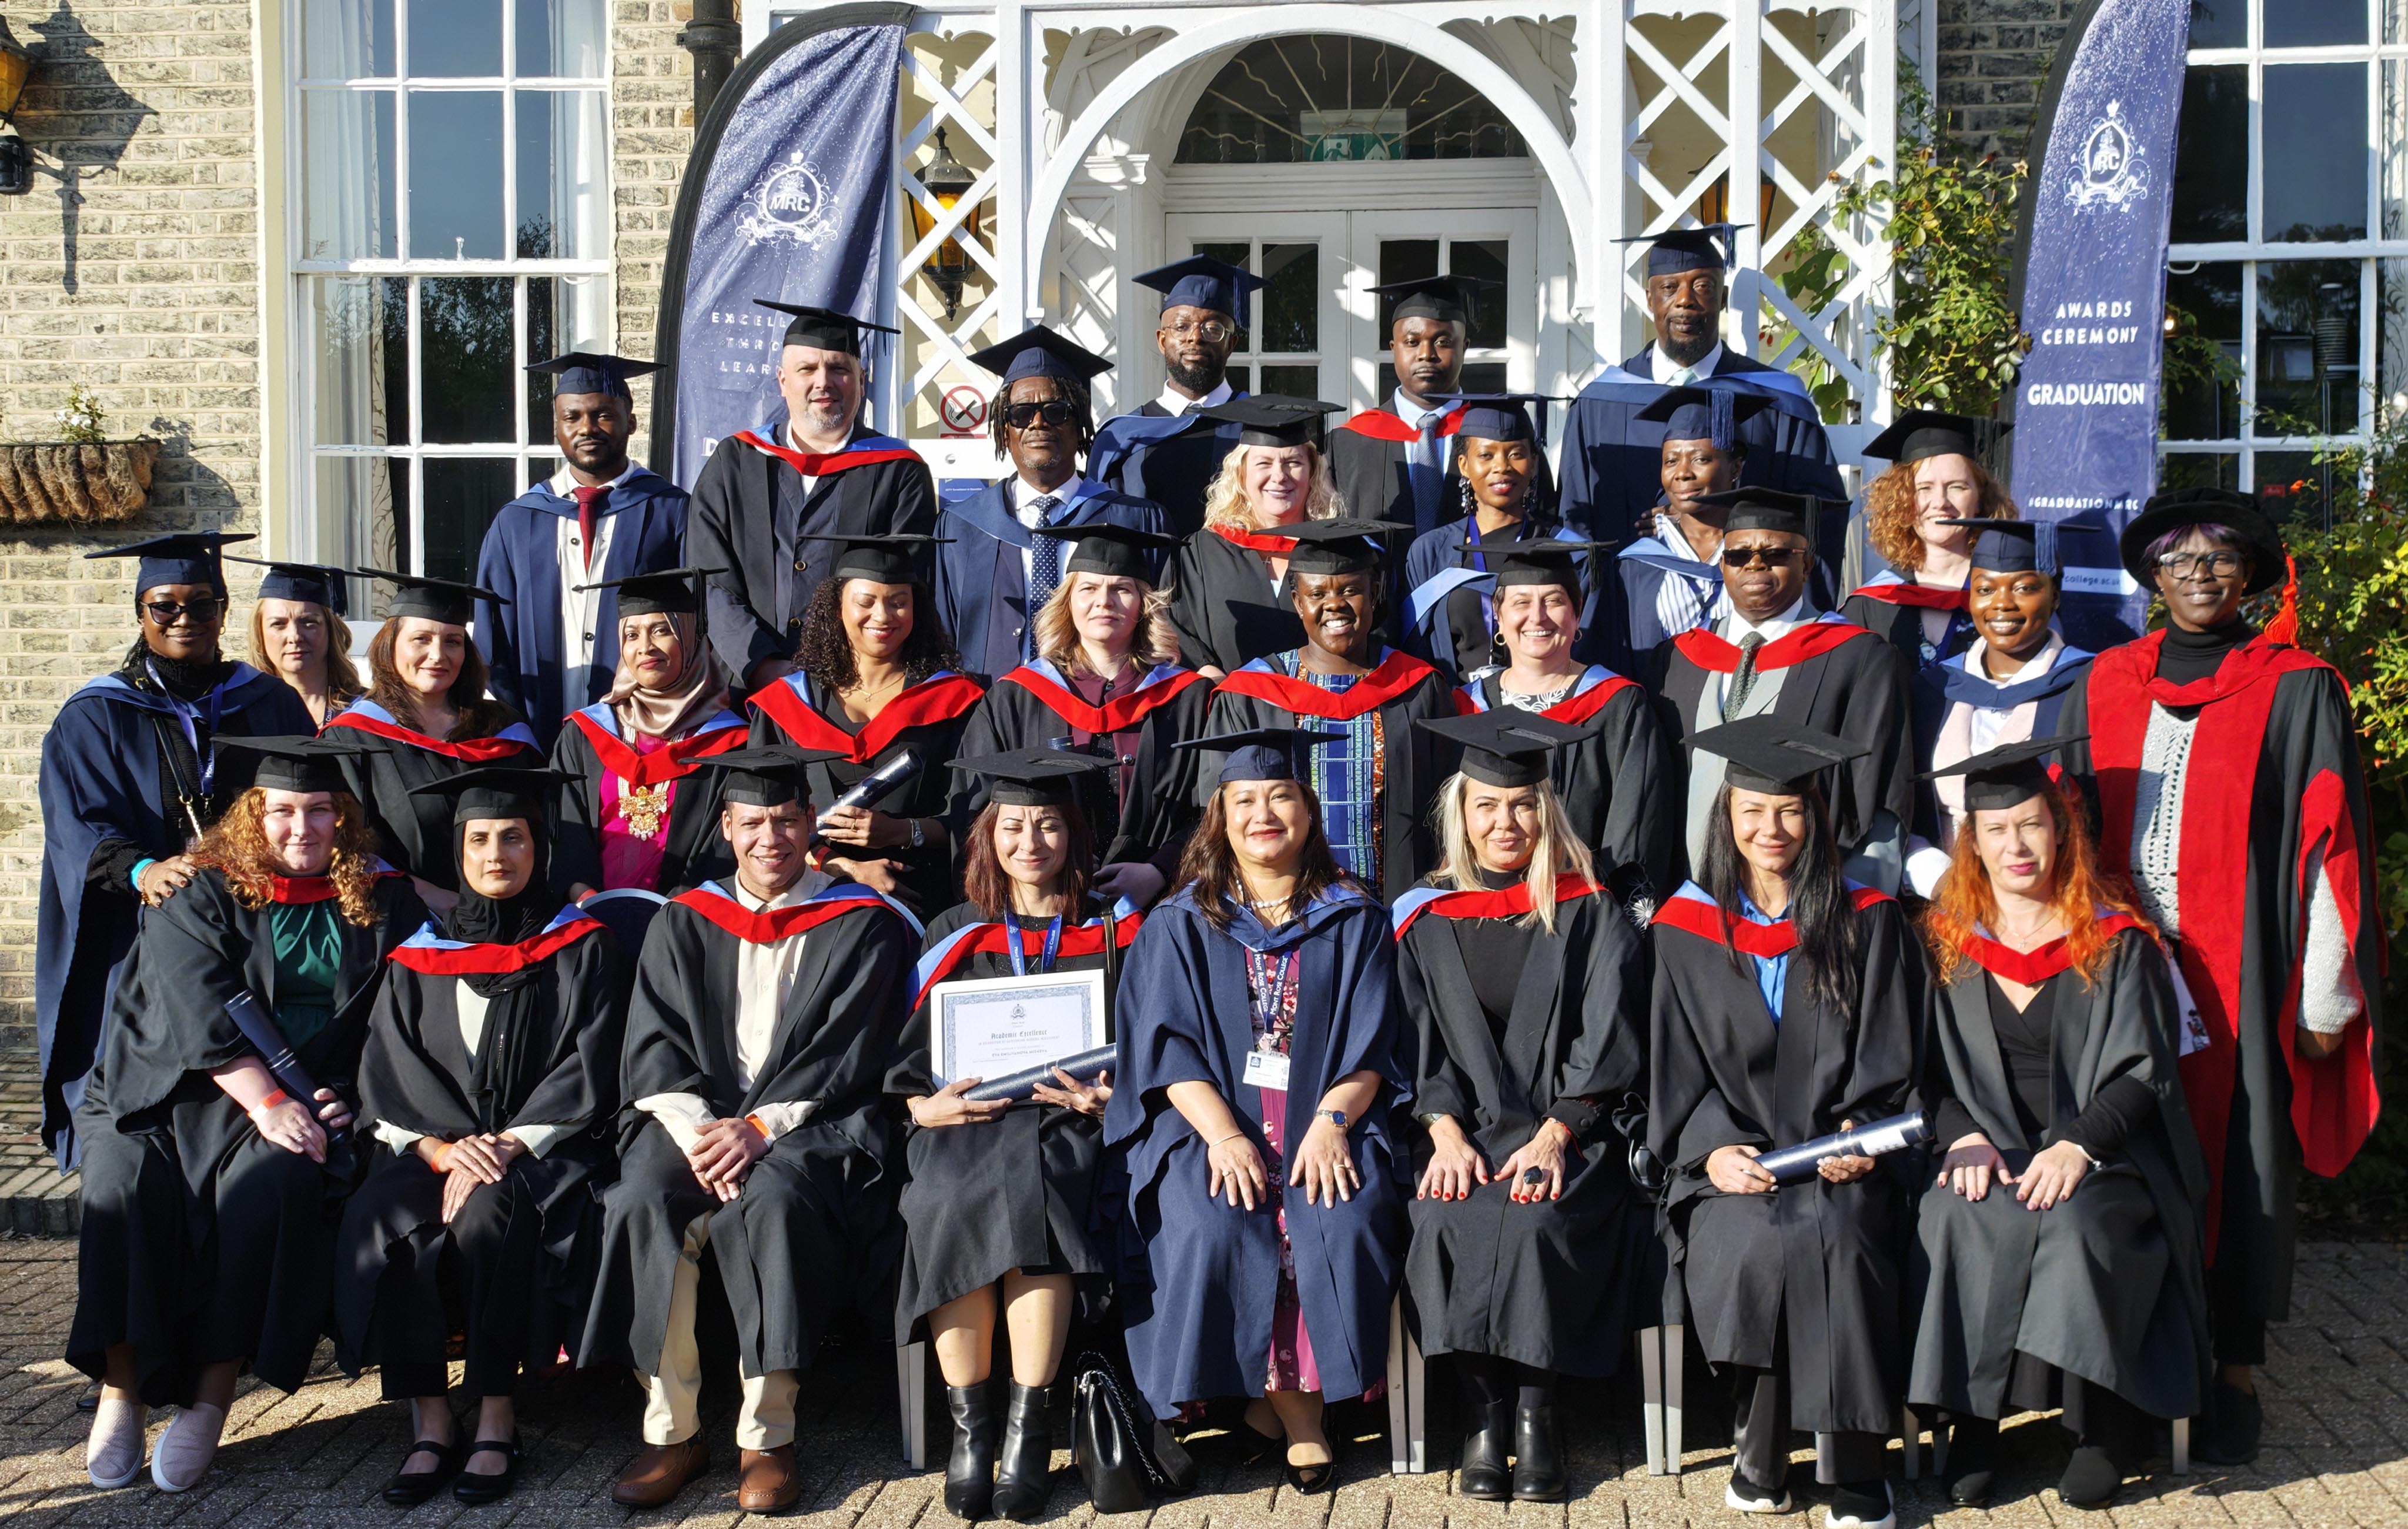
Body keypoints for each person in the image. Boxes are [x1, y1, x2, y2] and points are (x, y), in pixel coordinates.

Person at [2056, 486, 2382, 1465]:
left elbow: (2334, 845)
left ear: (2252, 573)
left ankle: (2231, 1370)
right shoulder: (2106, 680)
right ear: (2150, 576)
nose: (2199, 573)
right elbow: (2064, 832)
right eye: (2177, 558)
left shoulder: (2296, 685)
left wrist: (2327, 994)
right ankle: (2132, 1359)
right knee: (2128, 1152)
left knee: (2240, 1163)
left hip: (2244, 976)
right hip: (2117, 971)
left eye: (2221, 557)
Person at [68, 736, 423, 1492]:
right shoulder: (201, 888)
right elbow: (192, 1004)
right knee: (123, 1187)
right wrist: (265, 1099)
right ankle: (123, 1387)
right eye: (283, 811)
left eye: (321, 810)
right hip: (166, 1090)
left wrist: (349, 1094)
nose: (302, 828)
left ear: (346, 817)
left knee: (272, 1190)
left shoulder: (381, 898)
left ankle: (212, 1395)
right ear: (253, 815)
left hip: (295, 1098)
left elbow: (393, 1019)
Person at [581, 743, 918, 1513]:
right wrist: (709, 1132)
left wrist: (760, 1127)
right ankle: (673, 1431)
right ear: (728, 828)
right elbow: (654, 1043)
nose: (772, 838)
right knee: (641, 1201)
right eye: (754, 822)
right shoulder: (686, 920)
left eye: (789, 820)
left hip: (810, 1125)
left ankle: (767, 1437)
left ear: (811, 827)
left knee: (771, 1207)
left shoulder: (856, 923)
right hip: (693, 1125)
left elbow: (848, 1051)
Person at [1105, 727, 1409, 1494]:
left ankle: (1285, 1415)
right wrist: (1224, 1136)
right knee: (1217, 1218)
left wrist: (1335, 1122)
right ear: (1220, 815)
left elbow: (1373, 1046)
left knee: (1334, 1213)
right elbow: (1166, 1051)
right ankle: (1296, 1418)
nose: (1263, 813)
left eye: (1280, 797)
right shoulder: (1178, 923)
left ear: (1308, 811)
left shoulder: (1356, 918)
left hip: (1327, 1115)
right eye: (1244, 800)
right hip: (1206, 1123)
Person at [1909, 738, 2211, 1511]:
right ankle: (1976, 1425)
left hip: (2108, 1155)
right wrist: (1961, 1137)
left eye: (2032, 825)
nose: (2017, 845)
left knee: (2079, 1225)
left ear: (2061, 830)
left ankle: (2103, 1423)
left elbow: (2145, 1070)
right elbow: (1925, 1075)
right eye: (1997, 829)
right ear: (1970, 841)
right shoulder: (1945, 942)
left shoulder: (2116, 941)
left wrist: (2082, 1141)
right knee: (1959, 1212)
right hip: (1989, 1149)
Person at [1646, 718, 1921, 1529]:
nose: (1773, 830)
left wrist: (1861, 1139)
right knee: (1760, 1238)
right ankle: (1759, 1447)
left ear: (1818, 817)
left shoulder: (1867, 919)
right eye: (1754, 812)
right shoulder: (1684, 929)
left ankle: (1857, 1463)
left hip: (1840, 1155)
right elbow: (1673, 1072)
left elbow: (1893, 1058)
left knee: (1837, 1232)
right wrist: (1708, 1153)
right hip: (1733, 1163)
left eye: (1792, 812)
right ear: (1725, 817)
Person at [337, 766, 628, 1505]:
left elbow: (590, 1061)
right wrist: (439, 1147)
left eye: (512, 837)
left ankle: (497, 1412)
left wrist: (510, 1141)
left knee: (492, 1216)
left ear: (539, 848)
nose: (496, 853)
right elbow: (388, 1068)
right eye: (479, 840)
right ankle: (431, 1420)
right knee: (393, 1216)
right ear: (458, 851)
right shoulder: (418, 955)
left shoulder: (581, 948)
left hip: (544, 1149)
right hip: (434, 1146)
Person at [1390, 712, 1653, 1503]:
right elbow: (1411, 1043)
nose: (1506, 823)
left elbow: (1613, 1039)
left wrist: (1555, 1135)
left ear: (1547, 812)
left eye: (1523, 806)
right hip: (1461, 1136)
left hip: (1574, 1134)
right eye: (1488, 808)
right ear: (1461, 817)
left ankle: (1538, 1415)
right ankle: (1484, 1414)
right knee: (1444, 1214)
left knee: (1535, 1217)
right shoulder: (1425, 920)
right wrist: (1440, 1129)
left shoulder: (1592, 910)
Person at [892, 749, 1142, 1521]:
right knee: (941, 1197)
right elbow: (906, 1059)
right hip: (964, 1121)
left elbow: (1144, 1044)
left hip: (1068, 1124)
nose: (1030, 841)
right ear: (988, 837)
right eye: (1012, 826)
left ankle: (1027, 1436)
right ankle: (974, 1433)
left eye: (1047, 826)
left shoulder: (1111, 933)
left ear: (1073, 835)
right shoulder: (954, 931)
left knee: (1045, 1194)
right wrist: (919, 1110)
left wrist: (1111, 1100)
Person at [36, 532, 315, 1165]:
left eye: (203, 604)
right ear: (141, 613)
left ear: (222, 610)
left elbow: (309, 799)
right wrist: (143, 867)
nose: (184, 618)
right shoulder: (96, 714)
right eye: (165, 606)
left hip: (251, 928)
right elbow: (77, 821)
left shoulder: (268, 700)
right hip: (140, 933)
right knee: (147, 1118)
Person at [1646, 487, 1915, 892]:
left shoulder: (1859, 659)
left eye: (1775, 554)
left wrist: (1858, 913)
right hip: (1691, 901)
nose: (1755, 566)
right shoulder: (1679, 659)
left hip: (1808, 904)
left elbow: (1882, 801)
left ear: (1807, 564)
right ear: (1722, 566)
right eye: (1738, 555)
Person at [951, 523, 1209, 909]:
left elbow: (1214, 805)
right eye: (1088, 589)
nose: (1104, 601)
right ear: (1068, 602)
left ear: (1144, 605)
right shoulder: (1015, 697)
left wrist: (1159, 870)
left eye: (1122, 589)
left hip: (1161, 903)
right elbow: (974, 807)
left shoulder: (1186, 698)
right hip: (1041, 904)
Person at [684, 301, 938, 692]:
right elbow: (708, 578)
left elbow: (904, 587)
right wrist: (761, 664)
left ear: (861, 380)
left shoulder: (900, 471)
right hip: (741, 690)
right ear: (783, 381)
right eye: (807, 369)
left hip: (854, 691)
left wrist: (842, 674)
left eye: (839, 368)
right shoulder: (735, 462)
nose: (823, 382)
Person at [1555, 226, 1847, 562]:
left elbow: (1818, 515)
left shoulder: (1779, 403)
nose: (1684, 300)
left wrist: (1717, 518)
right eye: (1669, 288)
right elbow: (1573, 526)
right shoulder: (1599, 405)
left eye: (1703, 286)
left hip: (1748, 606)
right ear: (1650, 299)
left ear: (1722, 298)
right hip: (1626, 607)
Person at [1203, 519, 1455, 901]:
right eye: (1317, 593)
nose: (1334, 604)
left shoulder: (1420, 688)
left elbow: (1449, 808)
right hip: (1284, 914)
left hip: (1400, 912)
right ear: (1297, 601)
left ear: (1374, 595)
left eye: (1352, 590)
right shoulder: (1251, 694)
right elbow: (1218, 815)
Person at [745, 532, 982, 914]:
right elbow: (761, 815)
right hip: (808, 897)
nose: (883, 616)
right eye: (865, 602)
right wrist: (840, 866)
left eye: (898, 603)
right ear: (837, 606)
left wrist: (903, 832)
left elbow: (979, 814)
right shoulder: (785, 704)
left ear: (916, 610)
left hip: (923, 902)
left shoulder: (957, 701)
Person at [474, 352, 692, 750]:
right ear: (556, 427)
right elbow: (493, 644)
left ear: (632, 421)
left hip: (647, 738)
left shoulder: (672, 512)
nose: (587, 428)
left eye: (603, 414)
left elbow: (696, 634)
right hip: (539, 738)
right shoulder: (516, 523)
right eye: (571, 417)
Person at [1449, 538, 1680, 910]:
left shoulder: (1618, 705)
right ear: (1499, 614)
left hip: (1584, 915)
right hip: (1480, 909)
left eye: (1554, 601)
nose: (1537, 617)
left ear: (1577, 613)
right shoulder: (1465, 706)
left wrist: (1607, 922)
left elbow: (1636, 831)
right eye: (1521, 602)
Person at [937, 326, 1172, 677]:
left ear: (1080, 426)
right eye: (1020, 414)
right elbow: (942, 636)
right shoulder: (961, 526)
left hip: (1107, 717)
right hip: (986, 714)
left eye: (1057, 411)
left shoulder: (1136, 520)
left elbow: (1161, 633)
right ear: (1005, 431)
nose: (1038, 423)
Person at [324, 570, 541, 910]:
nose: (439, 655)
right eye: (421, 639)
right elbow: (347, 847)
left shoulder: (503, 727)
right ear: (390, 645)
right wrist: (440, 901)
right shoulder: (352, 737)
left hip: (511, 917)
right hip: (405, 921)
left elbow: (542, 824)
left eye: (452, 641)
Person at [1904, 519, 2093, 897]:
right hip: (1940, 902)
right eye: (1985, 589)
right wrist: (1937, 878)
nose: (2002, 604)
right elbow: (1898, 806)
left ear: (2054, 595)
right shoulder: (1932, 689)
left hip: (2053, 898)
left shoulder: (2089, 685)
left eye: (2025, 588)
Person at [550, 567, 747, 899]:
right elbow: (566, 829)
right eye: (632, 635)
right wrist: (586, 901)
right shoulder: (583, 735)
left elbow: (725, 846)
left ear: (691, 637)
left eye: (661, 630)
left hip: (689, 924)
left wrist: (674, 919)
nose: (645, 647)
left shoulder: (732, 742)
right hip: (590, 923)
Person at [1396, 393, 1585, 680]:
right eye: (1486, 455)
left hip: (1550, 713)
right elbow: (1415, 651)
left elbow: (1587, 645)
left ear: (1533, 463)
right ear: (1464, 465)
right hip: (1458, 714)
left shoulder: (1570, 550)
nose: (1502, 467)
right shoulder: (1429, 552)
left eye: (1516, 454)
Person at [1158, 395, 1347, 676]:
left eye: (1293, 462)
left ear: (1313, 472)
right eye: (1264, 463)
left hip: (1321, 711)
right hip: (1226, 708)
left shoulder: (1339, 551)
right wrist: (1212, 678)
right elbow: (1173, 628)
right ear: (1241, 473)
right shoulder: (1201, 553)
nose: (1280, 476)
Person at [1087, 255, 1265, 537]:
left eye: (1213, 329)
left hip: (1235, 577)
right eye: (1181, 327)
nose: (1195, 338)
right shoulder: (1123, 436)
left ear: (1231, 344)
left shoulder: (1260, 426)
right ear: (1161, 340)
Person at [1613, 385, 1777, 665]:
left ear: (1736, 469)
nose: (1683, 474)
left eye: (1701, 459)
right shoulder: (1637, 564)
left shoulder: (1767, 555)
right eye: (1671, 461)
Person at [1839, 411, 2015, 672]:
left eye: (1957, 486)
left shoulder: (2010, 599)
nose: (1941, 502)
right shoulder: (1870, 605)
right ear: (1902, 501)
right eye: (1924, 488)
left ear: (1981, 499)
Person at [1324, 275, 1495, 538]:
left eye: (1443, 342)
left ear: (1465, 348)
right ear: (1394, 349)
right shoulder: (1348, 442)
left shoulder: (1496, 437)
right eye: (1412, 342)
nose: (1426, 354)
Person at [229, 555, 367, 725]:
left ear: (331, 630)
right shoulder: (240, 714)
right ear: (260, 634)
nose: (295, 636)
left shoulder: (367, 712)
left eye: (309, 622)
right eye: (278, 624)